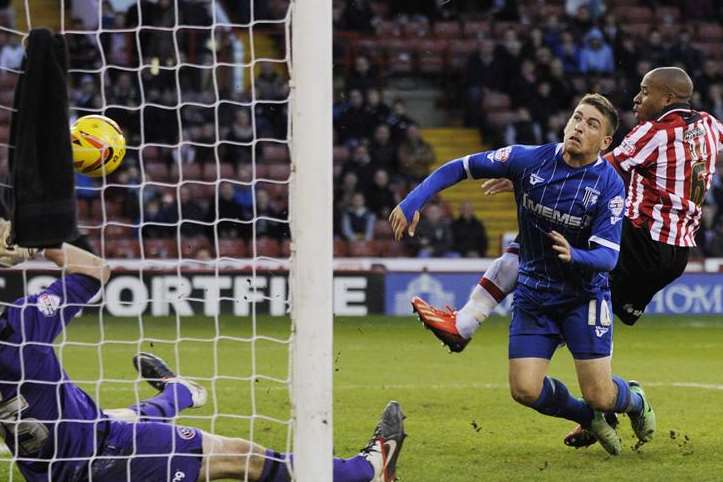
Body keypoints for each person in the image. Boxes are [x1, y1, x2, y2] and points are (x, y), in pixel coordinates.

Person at [411, 67, 720, 448]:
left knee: (538, 239)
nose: (637, 100)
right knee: (563, 268)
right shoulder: (709, 124)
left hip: (640, 238)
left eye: (645, 92)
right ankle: (596, 406)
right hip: (675, 254)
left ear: (668, 99)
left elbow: (599, 164)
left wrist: (530, 175)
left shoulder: (654, 132)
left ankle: (467, 322)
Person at [0, 226, 406, 482]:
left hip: (65, 456)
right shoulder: (20, 326)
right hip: (96, 463)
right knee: (239, 457)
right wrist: (38, 239)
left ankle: (179, 391)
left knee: (122, 415)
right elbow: (94, 270)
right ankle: (369, 471)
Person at [389, 94, 654, 456]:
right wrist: (413, 200)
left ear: (606, 142)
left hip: (583, 297)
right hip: (534, 294)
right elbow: (459, 167)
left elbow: (607, 257)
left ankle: (635, 400)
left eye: (592, 124)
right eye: (577, 117)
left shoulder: (608, 186)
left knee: (601, 393)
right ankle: (587, 416)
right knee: (524, 390)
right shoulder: (529, 160)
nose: (579, 126)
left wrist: (573, 254)